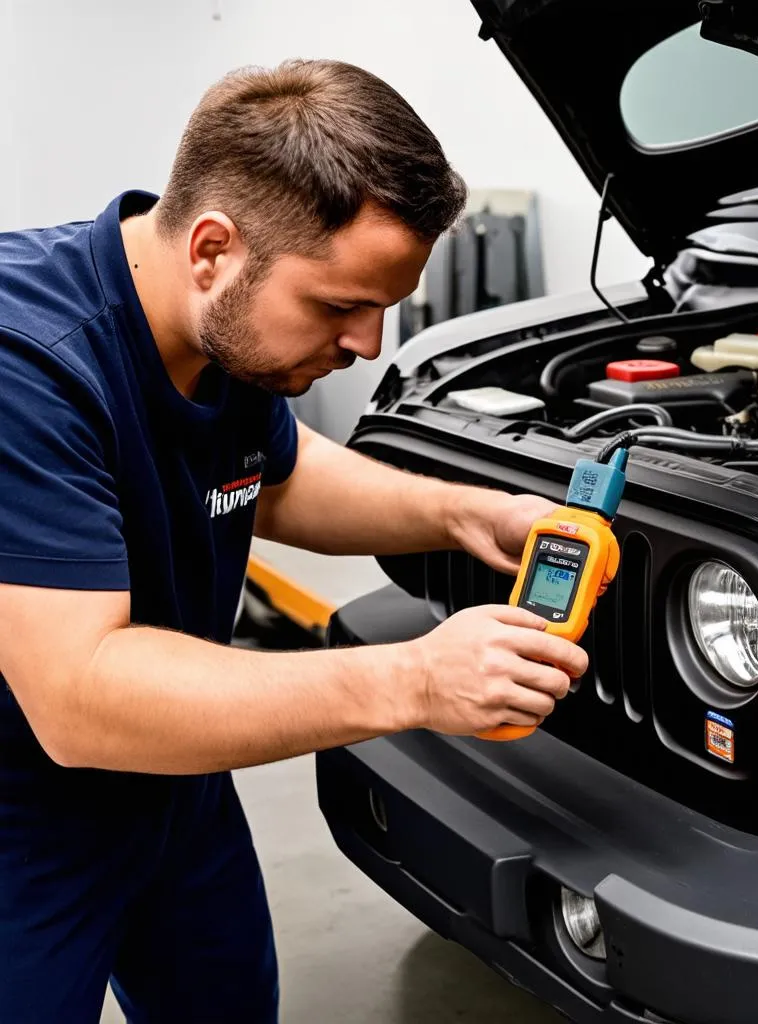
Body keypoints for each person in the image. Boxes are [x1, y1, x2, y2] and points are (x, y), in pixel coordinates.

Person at [0, 58, 587, 1023]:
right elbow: (79, 698)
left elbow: (279, 477)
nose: (368, 343)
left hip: (176, 782)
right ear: (212, 249)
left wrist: (458, 511)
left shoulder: (222, 336)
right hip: (28, 814)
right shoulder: (29, 367)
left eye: (386, 306)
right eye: (339, 305)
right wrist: (415, 680)